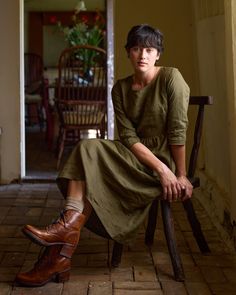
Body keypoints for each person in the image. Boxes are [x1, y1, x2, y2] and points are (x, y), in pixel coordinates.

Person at [15, 24, 193, 287]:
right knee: (86, 149)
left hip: (160, 161)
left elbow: (178, 131)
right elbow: (129, 138)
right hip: (133, 154)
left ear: (158, 54)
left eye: (149, 49)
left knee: (87, 168)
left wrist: (178, 174)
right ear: (128, 53)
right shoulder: (120, 89)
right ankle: (64, 237)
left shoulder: (171, 78)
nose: (142, 55)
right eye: (136, 49)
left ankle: (57, 254)